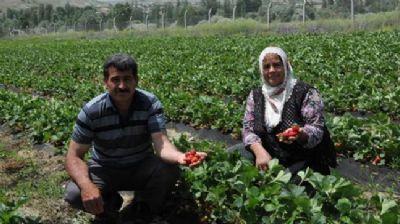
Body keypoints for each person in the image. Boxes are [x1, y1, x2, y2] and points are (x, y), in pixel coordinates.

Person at [64, 53, 207, 224]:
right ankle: (109, 206)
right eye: (115, 79)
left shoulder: (150, 103)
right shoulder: (91, 111)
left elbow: (161, 143)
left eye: (127, 79)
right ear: (105, 82)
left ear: (136, 80)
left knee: (169, 170)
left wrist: (181, 157)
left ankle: (141, 208)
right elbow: (74, 156)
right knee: (74, 193)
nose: (122, 85)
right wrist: (87, 187)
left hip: (141, 166)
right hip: (105, 168)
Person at [229, 46, 336, 176]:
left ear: (286, 66)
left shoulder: (305, 92)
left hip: (303, 157)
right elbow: (248, 129)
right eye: (266, 66)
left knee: (287, 186)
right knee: (230, 158)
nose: (272, 70)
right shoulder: (256, 95)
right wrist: (259, 151)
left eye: (276, 65)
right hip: (269, 152)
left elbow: (317, 128)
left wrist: (301, 134)